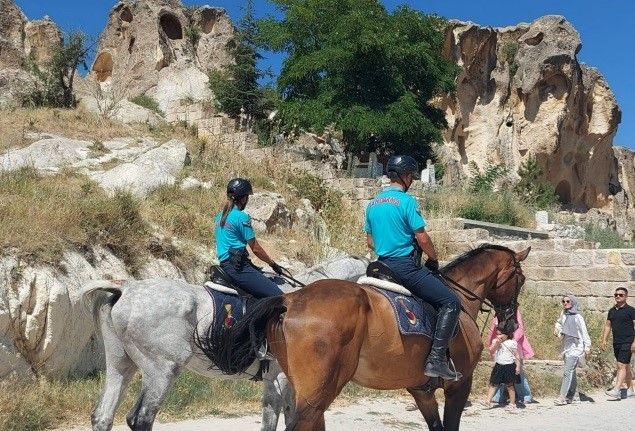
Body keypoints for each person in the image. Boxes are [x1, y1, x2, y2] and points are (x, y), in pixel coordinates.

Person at [364, 155, 462, 380]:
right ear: (405, 176)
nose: (412, 180)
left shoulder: (372, 204)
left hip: (380, 265)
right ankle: (436, 360)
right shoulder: (407, 202)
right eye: (411, 176)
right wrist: (434, 259)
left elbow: (370, 242)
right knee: (450, 302)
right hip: (404, 267)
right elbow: (423, 238)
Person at [215, 178, 284, 299]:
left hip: (225, 264)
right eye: (247, 197)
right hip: (238, 267)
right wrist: (273, 264)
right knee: (279, 297)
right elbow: (256, 249)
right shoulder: (242, 217)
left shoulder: (219, 216)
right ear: (243, 198)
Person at [488, 309, 536, 406]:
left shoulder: (515, 311)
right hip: (500, 346)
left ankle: (525, 396)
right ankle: (498, 397)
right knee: (499, 376)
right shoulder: (497, 312)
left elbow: (520, 328)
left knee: (517, 374)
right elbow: (494, 328)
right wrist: (494, 341)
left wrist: (511, 340)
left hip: (513, 344)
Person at [553, 294, 591, 406]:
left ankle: (562, 397)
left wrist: (587, 347)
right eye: (563, 301)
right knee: (571, 372)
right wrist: (557, 330)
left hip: (576, 348)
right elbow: (559, 323)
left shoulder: (578, 317)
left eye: (568, 301)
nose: (565, 303)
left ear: (573, 302)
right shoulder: (563, 314)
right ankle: (574, 397)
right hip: (566, 347)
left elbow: (584, 333)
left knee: (567, 372)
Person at [601, 287, 635, 400]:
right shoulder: (612, 311)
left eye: (621, 295)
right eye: (616, 294)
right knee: (626, 366)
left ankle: (616, 391)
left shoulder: (631, 310)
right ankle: (630, 390)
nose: (618, 296)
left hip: (628, 341)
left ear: (626, 297)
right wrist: (604, 340)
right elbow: (607, 325)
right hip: (617, 342)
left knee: (621, 365)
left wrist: (634, 342)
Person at [484, 326, 521, 411]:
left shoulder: (512, 343)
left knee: (510, 385)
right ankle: (487, 401)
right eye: (497, 334)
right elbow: (491, 351)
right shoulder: (495, 341)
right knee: (493, 383)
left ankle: (512, 403)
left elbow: (517, 355)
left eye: (500, 334)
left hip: (509, 366)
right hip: (499, 365)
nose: (498, 336)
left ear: (507, 335)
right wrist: (497, 344)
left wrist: (518, 366)